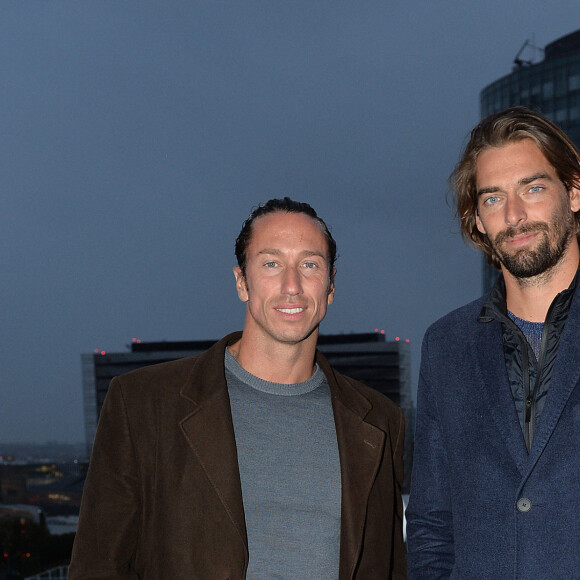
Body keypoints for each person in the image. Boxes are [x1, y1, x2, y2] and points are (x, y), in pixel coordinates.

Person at [69, 197, 407, 579]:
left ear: (330, 287)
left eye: (309, 264)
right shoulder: (143, 405)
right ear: (241, 282)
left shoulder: (380, 422)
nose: (291, 285)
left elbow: (391, 566)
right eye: (271, 263)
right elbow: (97, 566)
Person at [406, 107, 580, 579]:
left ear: (575, 192)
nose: (515, 215)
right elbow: (430, 524)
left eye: (534, 188)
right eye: (493, 198)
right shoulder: (446, 345)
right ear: (477, 220)